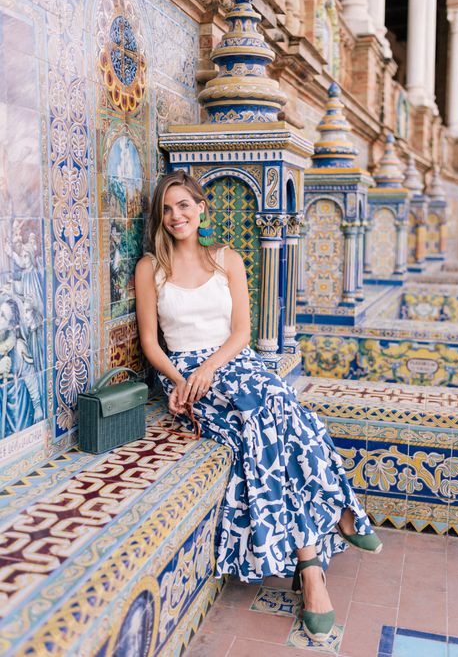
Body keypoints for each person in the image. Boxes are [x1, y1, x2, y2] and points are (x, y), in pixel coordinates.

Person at [135, 170, 382, 641]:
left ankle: (310, 566)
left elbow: (242, 333)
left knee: (275, 413)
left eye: (183, 205)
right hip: (184, 374)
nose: (175, 217)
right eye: (167, 209)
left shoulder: (227, 259)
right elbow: (151, 343)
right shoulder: (151, 267)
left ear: (202, 207)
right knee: (268, 421)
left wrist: (211, 368)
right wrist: (182, 380)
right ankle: (336, 517)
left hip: (233, 361)